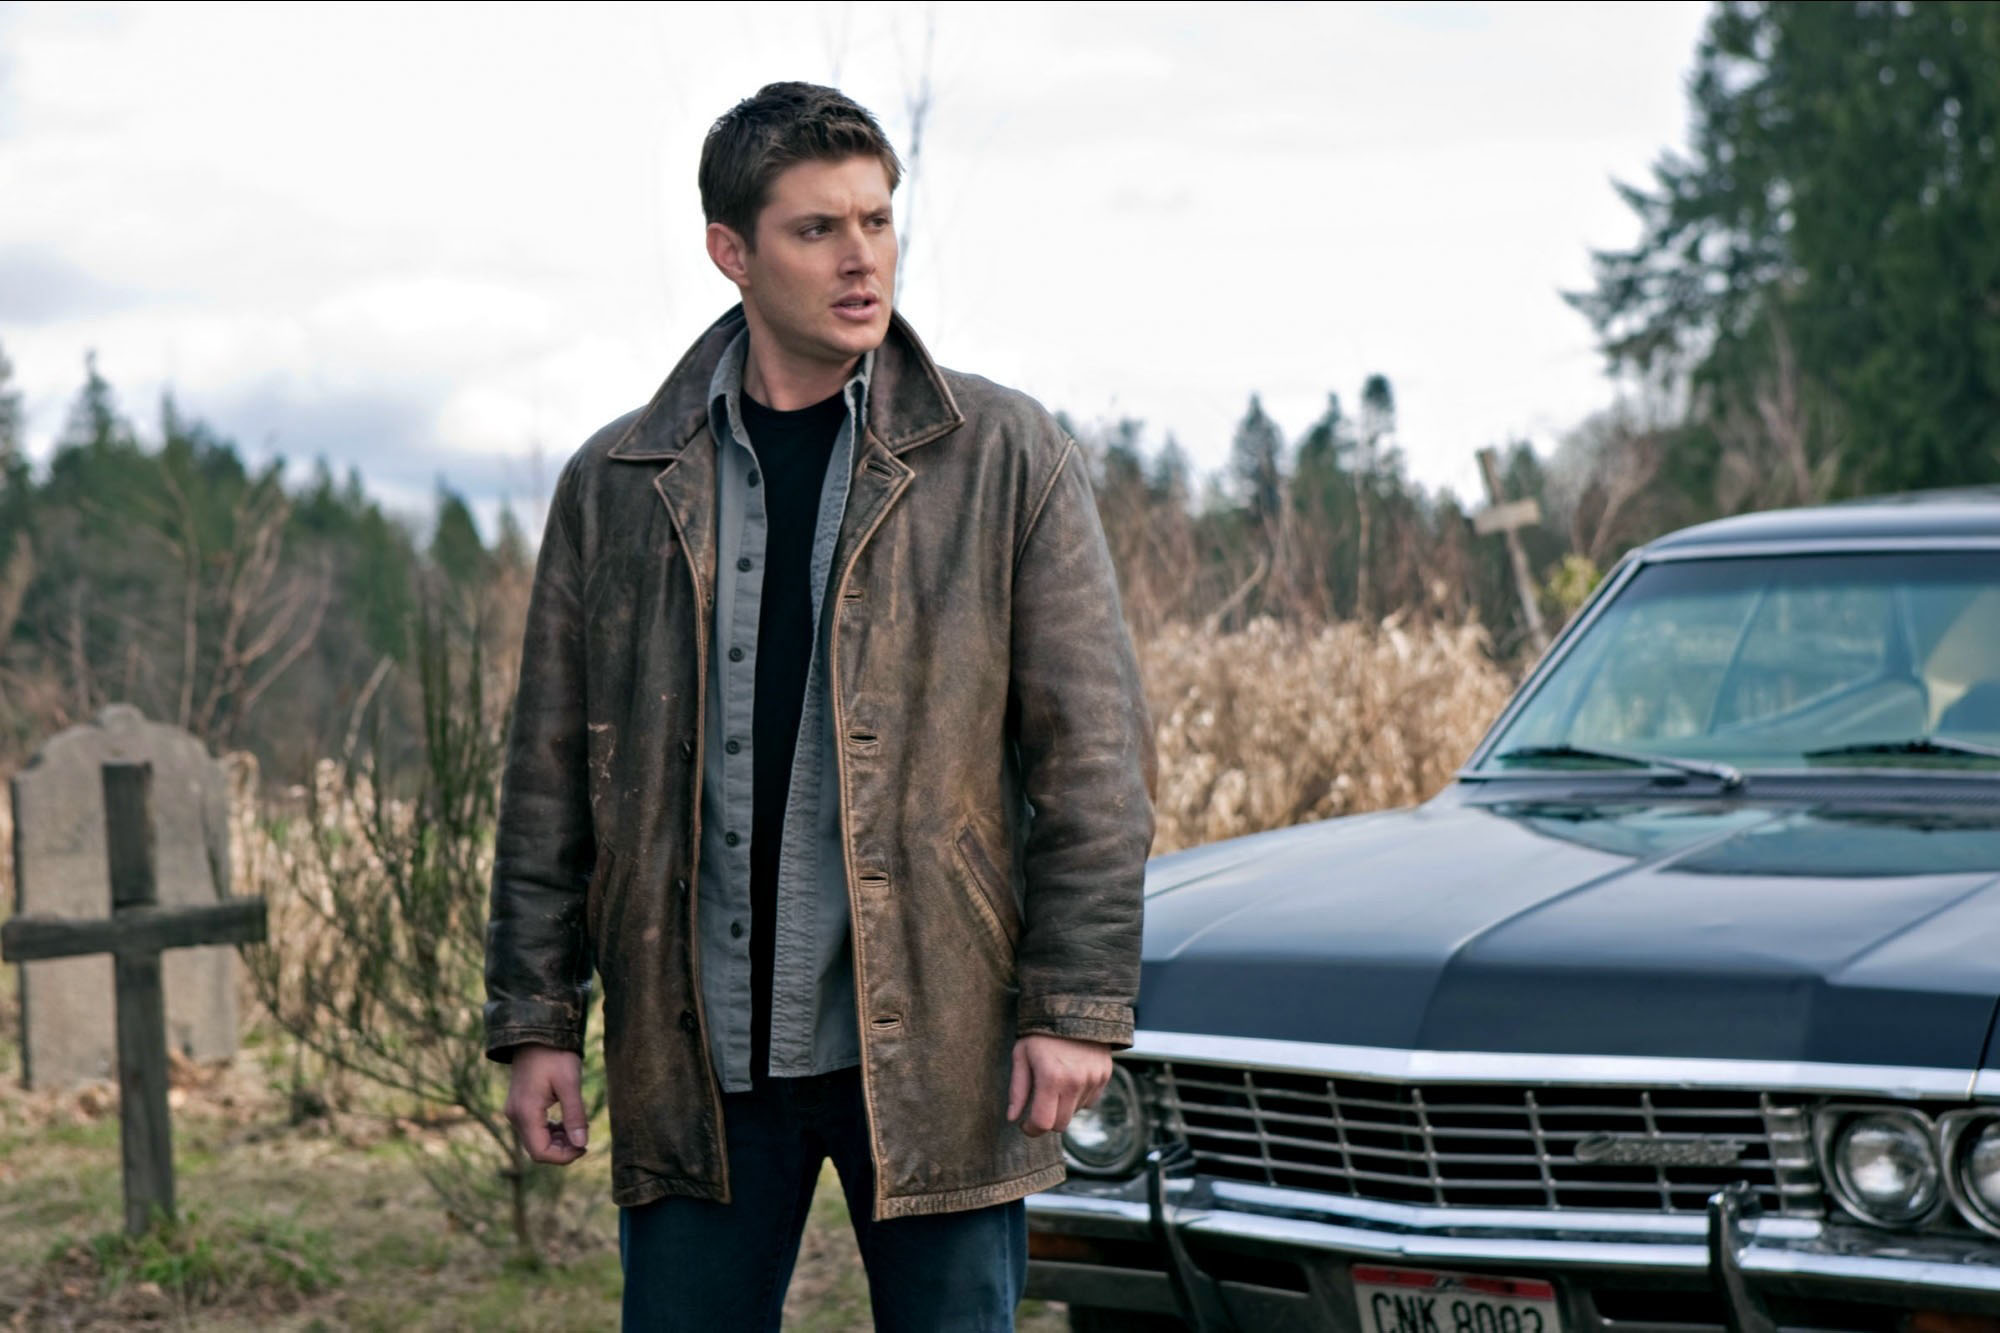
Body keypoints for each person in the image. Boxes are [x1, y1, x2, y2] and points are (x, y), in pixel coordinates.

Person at [481, 81, 1155, 1331]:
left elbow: (1094, 762)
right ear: (729, 251)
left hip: (940, 1036)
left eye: (877, 221)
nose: (861, 258)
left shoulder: (1003, 455)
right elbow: (550, 781)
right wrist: (536, 1021)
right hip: (696, 1047)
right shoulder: (617, 482)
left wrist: (1072, 1007)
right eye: (816, 229)